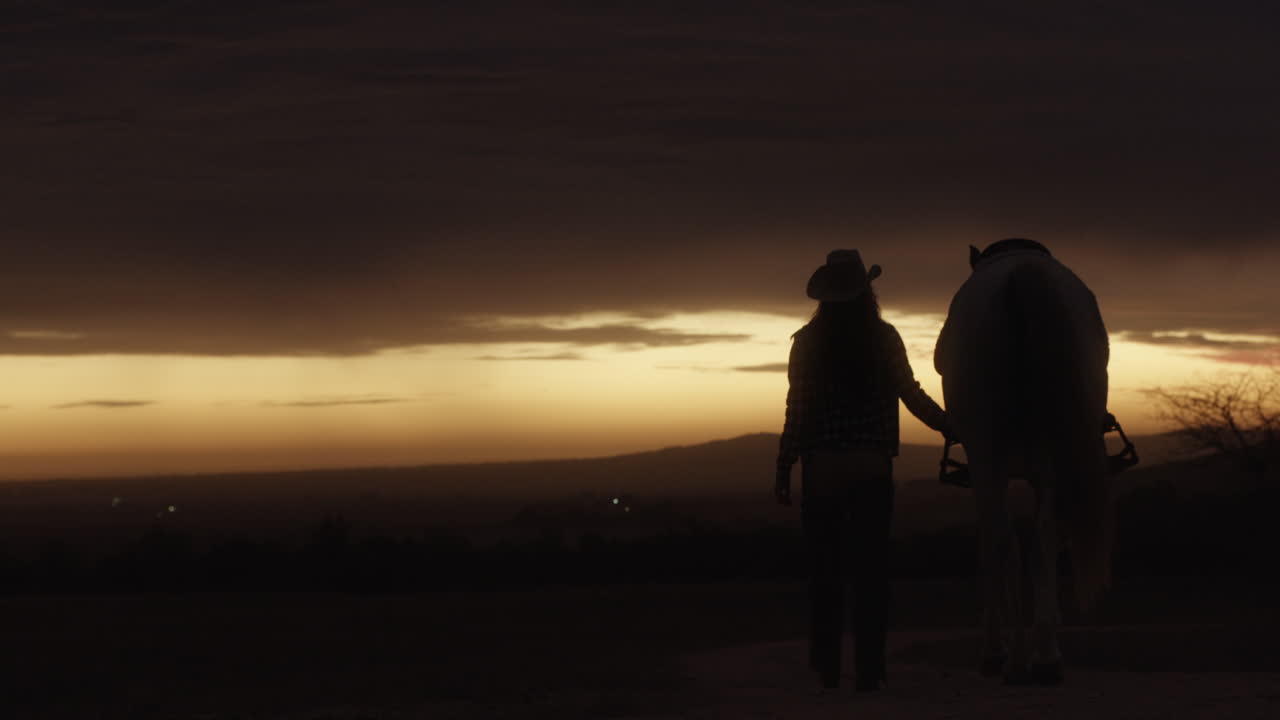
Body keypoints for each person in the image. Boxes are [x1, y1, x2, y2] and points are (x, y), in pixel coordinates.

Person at [776, 249, 950, 691]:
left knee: (825, 570)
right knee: (871, 572)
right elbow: (910, 393)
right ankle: (870, 670)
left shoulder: (806, 342)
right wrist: (951, 426)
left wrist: (784, 463)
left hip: (822, 468)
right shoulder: (884, 337)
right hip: (872, 466)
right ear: (866, 290)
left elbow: (797, 410)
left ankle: (827, 666)